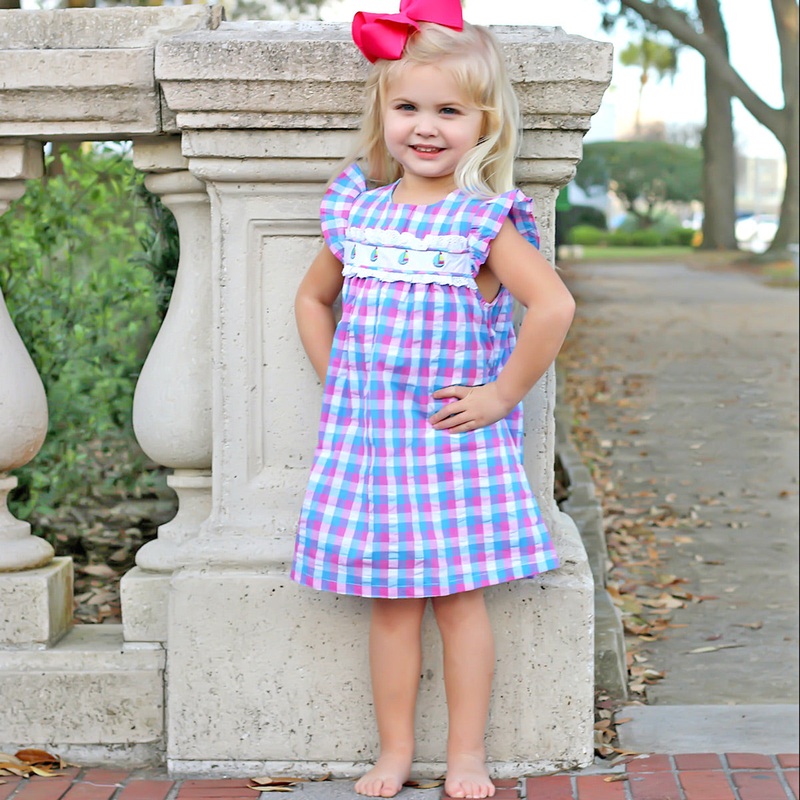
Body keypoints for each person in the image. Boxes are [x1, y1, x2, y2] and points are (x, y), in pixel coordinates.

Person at [291, 1, 575, 797]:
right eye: (408, 106)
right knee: (389, 608)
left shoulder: (482, 220)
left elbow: (552, 307)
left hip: (452, 444)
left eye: (448, 110)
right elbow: (313, 302)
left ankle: (465, 757)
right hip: (374, 446)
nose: (426, 127)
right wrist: (338, 381)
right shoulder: (357, 210)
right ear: (382, 111)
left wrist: (500, 395)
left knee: (459, 605)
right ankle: (392, 753)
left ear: (482, 123)